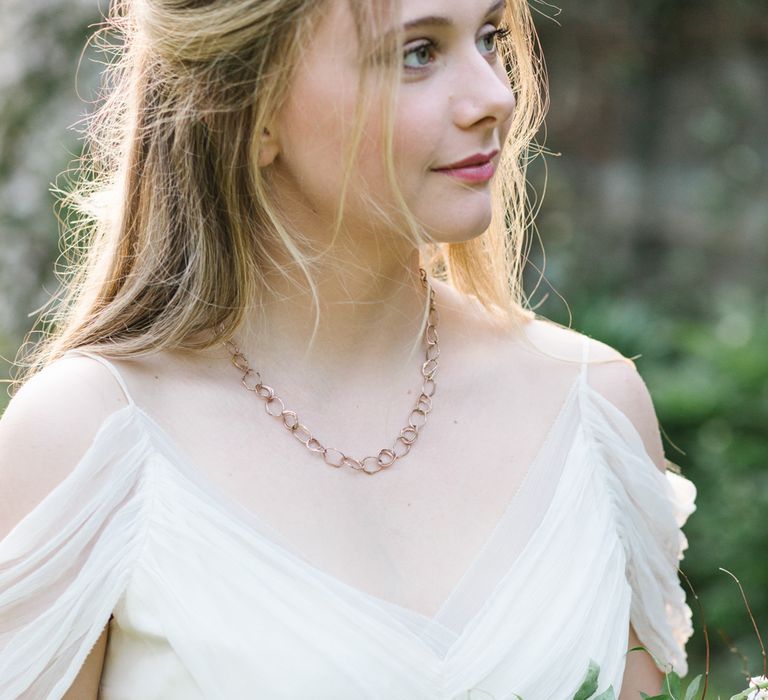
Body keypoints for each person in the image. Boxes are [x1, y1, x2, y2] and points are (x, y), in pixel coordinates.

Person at [0, 0, 697, 697]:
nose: (496, 96)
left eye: (489, 38)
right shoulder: (88, 441)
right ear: (249, 109)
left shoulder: (591, 408)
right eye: (418, 53)